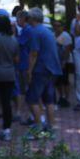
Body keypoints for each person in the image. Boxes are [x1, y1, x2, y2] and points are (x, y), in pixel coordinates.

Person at [25, 8, 63, 139]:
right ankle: (50, 128)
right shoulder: (47, 31)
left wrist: (29, 71)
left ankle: (38, 128)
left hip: (41, 69)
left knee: (31, 99)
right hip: (51, 69)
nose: (27, 19)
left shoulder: (35, 32)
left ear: (32, 19)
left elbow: (34, 53)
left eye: (28, 17)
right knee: (49, 100)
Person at [15, 10, 34, 124]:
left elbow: (19, 43)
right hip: (23, 64)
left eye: (18, 19)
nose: (17, 21)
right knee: (23, 89)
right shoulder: (25, 30)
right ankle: (26, 114)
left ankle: (32, 115)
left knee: (27, 89)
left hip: (25, 64)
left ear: (22, 19)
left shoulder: (27, 30)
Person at [53, 19, 73, 108]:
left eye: (58, 25)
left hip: (65, 61)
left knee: (65, 80)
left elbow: (68, 50)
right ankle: (61, 96)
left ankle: (66, 98)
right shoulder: (52, 35)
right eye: (55, 26)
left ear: (62, 27)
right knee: (57, 81)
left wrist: (64, 62)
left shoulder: (66, 36)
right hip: (55, 61)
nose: (56, 27)